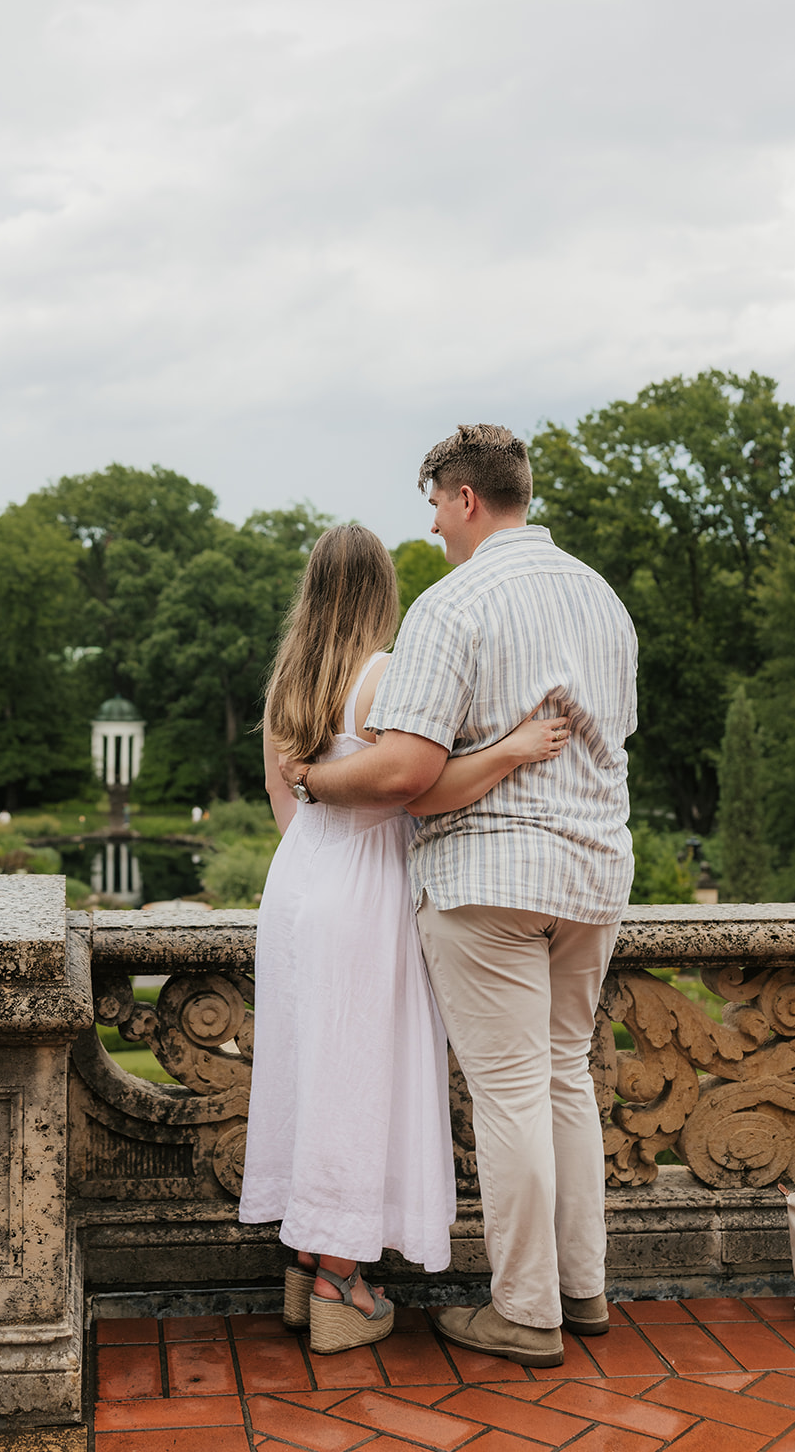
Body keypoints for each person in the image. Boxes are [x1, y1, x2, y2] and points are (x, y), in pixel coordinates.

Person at [278, 425, 638, 1368]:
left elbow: (407, 774)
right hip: (596, 871)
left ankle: (525, 1311)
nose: (432, 523)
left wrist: (317, 783)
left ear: (465, 498)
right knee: (566, 1079)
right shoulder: (603, 598)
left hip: (490, 880)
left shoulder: (454, 603)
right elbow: (615, 738)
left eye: (435, 502)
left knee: (512, 1093)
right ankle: (582, 1286)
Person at [239, 522, 570, 1355]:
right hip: (365, 887)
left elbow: (294, 814)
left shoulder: (287, 685)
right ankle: (341, 1283)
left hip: (297, 888)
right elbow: (411, 783)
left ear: (311, 590)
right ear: (381, 593)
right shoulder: (380, 675)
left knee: (308, 1068)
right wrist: (512, 749)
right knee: (358, 1076)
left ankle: (308, 1256)